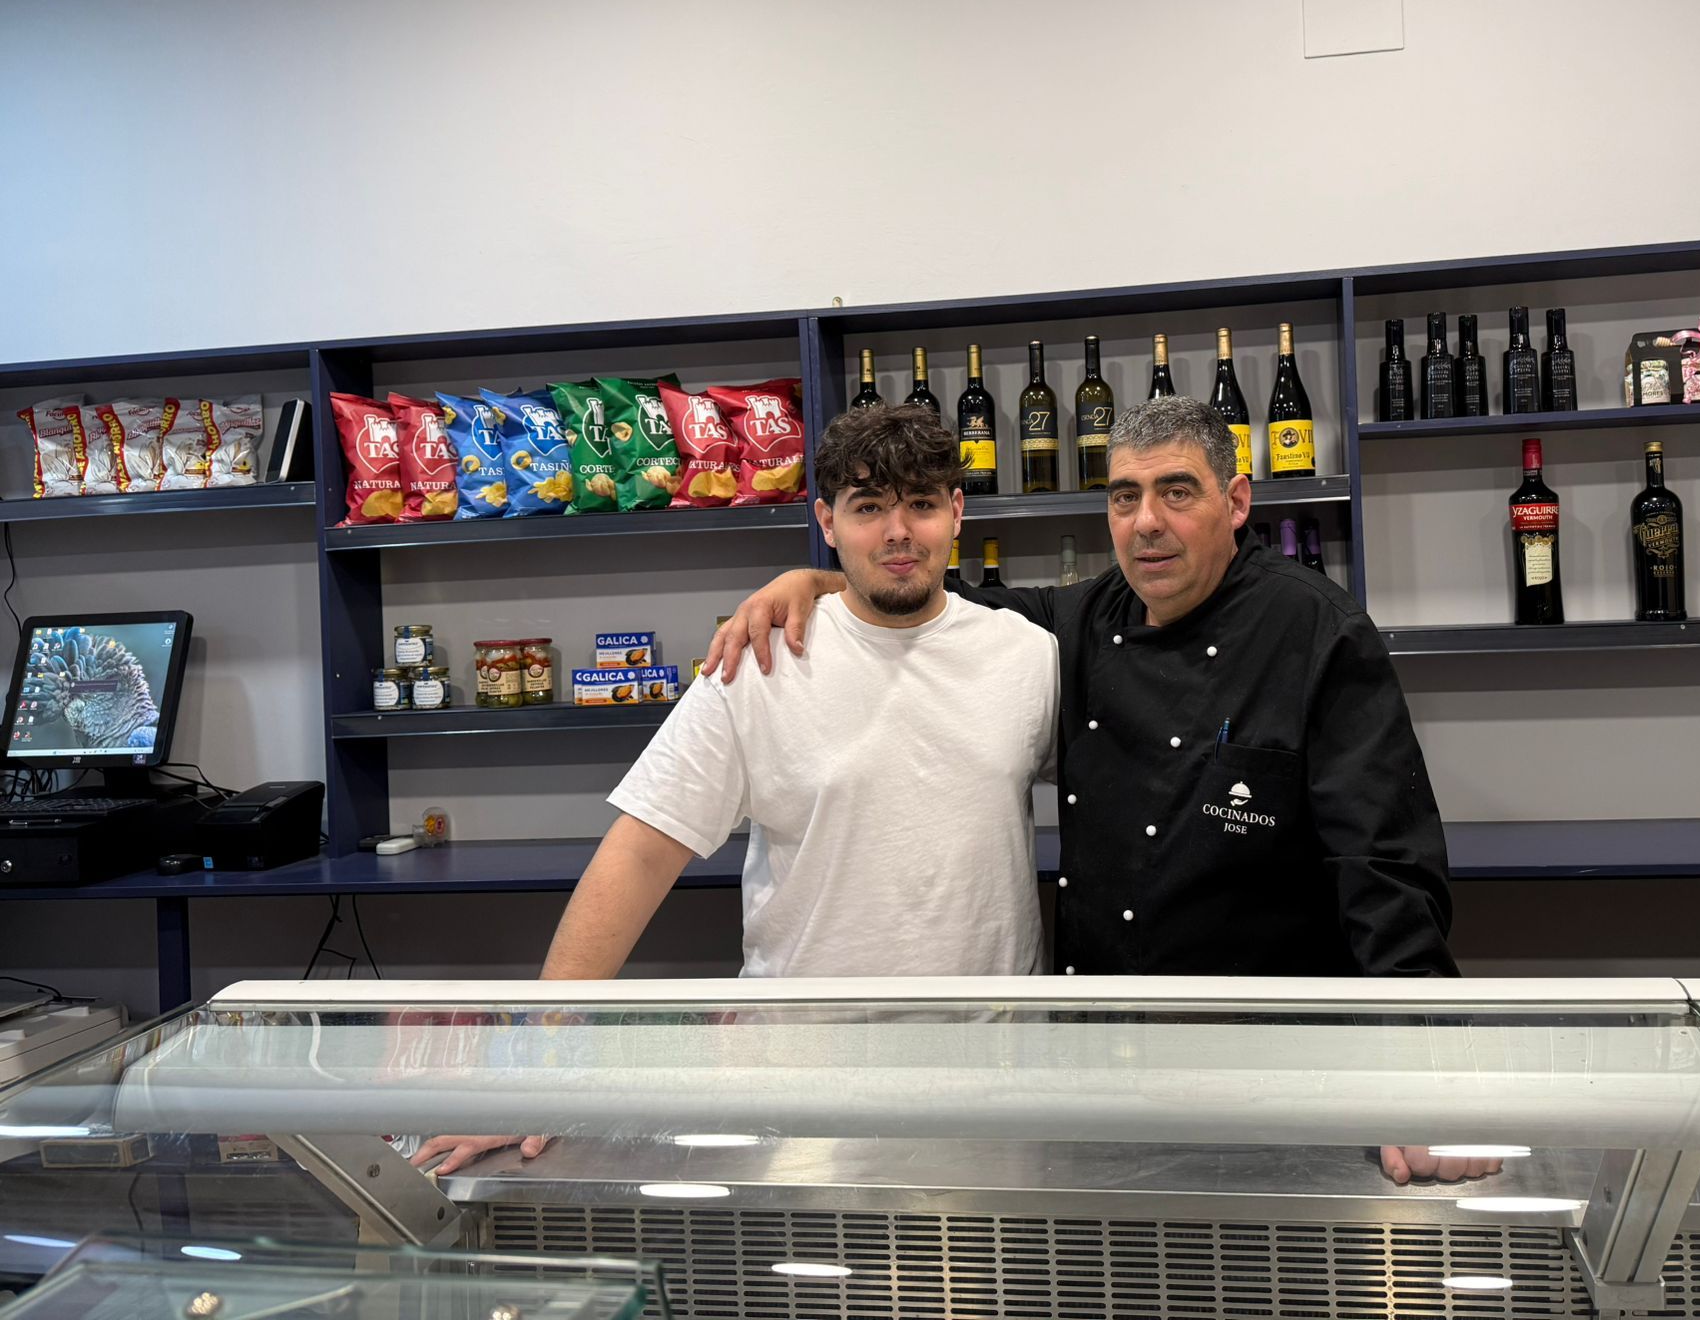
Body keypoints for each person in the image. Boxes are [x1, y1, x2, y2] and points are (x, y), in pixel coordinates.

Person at [708, 395, 1484, 1184]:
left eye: (1177, 492)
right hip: (1098, 1070)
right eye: (1124, 497)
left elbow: (1384, 868)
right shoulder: (1080, 621)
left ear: (1237, 501)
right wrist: (816, 578)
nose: (1147, 521)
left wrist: (1423, 1072)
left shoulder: (1318, 631)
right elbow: (929, 602)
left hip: (1273, 1072)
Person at [413, 403, 1058, 1175]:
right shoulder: (759, 662)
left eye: (921, 504)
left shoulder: (1028, 657)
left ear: (957, 512)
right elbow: (640, 855)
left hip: (991, 1075)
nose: (897, 532)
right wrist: (529, 1063)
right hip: (800, 1079)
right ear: (826, 519)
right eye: (869, 508)